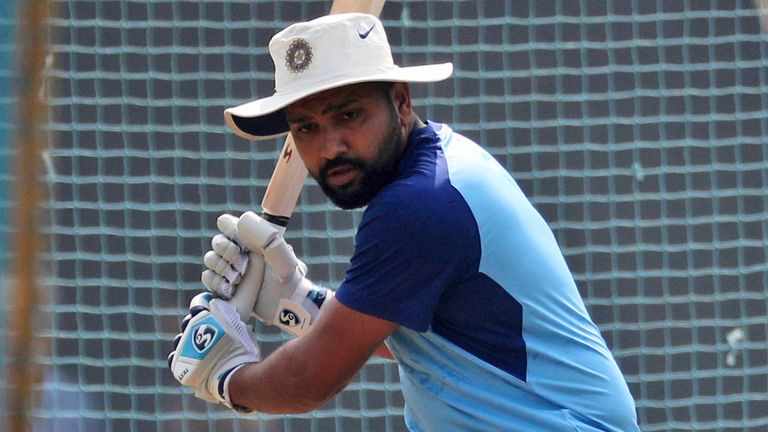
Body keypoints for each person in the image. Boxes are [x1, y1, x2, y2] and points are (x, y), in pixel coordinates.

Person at [168, 13, 640, 431]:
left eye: (348, 114)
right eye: (306, 127)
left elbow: (309, 382)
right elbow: (444, 349)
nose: (330, 146)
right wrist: (297, 301)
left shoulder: (419, 206)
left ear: (401, 101)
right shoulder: (439, 165)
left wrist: (227, 378)